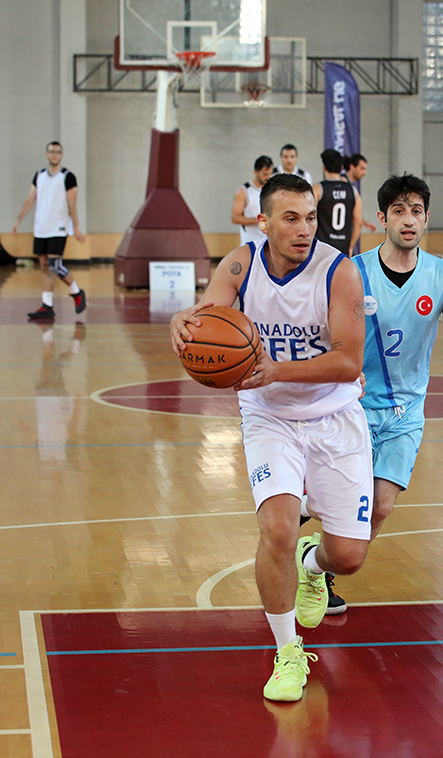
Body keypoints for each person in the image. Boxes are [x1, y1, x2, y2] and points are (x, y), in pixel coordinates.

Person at [169, 172, 372, 704]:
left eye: (310, 217)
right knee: (278, 528)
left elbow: (351, 362)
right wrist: (185, 323)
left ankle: (314, 566)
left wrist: (278, 370)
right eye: (291, 218)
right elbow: (208, 315)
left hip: (335, 417)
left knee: (348, 556)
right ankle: (288, 653)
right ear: (264, 222)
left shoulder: (340, 271)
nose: (304, 228)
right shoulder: (240, 263)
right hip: (268, 417)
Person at [316, 173, 443, 611]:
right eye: (398, 212)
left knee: (380, 509)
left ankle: (319, 571)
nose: (408, 221)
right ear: (380, 219)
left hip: (405, 412)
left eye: (416, 212)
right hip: (351, 408)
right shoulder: (353, 271)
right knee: (336, 501)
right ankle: (307, 515)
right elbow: (326, 334)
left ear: (427, 218)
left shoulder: (442, 276)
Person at [13, 141, 87, 320]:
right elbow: (30, 199)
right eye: (52, 152)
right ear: (46, 154)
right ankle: (47, 305)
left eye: (58, 152)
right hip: (41, 228)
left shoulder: (67, 176)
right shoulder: (39, 175)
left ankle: (77, 292)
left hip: (58, 227)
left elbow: (72, 204)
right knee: (44, 265)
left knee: (55, 265)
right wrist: (18, 220)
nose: (54, 155)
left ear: (61, 155)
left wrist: (76, 227)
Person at [313, 149, 363, 256]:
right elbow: (358, 223)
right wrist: (351, 246)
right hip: (342, 249)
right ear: (341, 168)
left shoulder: (318, 189)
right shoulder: (353, 191)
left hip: (321, 248)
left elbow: (308, 216)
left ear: (324, 168)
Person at [233, 156, 276, 245]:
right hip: (250, 242)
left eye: (270, 174)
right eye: (264, 174)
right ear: (256, 172)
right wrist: (258, 220)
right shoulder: (244, 191)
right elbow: (235, 217)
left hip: (268, 241)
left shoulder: (272, 189)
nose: (268, 177)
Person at [344, 154, 378, 236]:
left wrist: (363, 222)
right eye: (362, 168)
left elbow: (346, 212)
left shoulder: (349, 186)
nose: (364, 172)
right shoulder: (344, 186)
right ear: (352, 167)